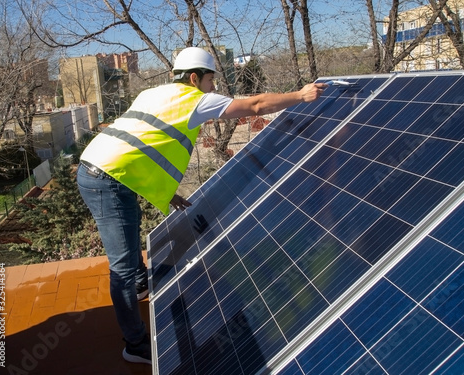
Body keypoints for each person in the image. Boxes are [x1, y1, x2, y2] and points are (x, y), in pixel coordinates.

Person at [76, 46, 327, 365]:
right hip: (107, 180)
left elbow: (141, 141)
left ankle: (141, 283)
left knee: (130, 228)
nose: (213, 87)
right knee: (121, 269)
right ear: (194, 78)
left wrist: (167, 193)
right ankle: (135, 343)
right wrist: (300, 95)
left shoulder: (154, 93)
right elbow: (256, 104)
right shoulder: (193, 98)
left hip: (105, 170)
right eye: (210, 80)